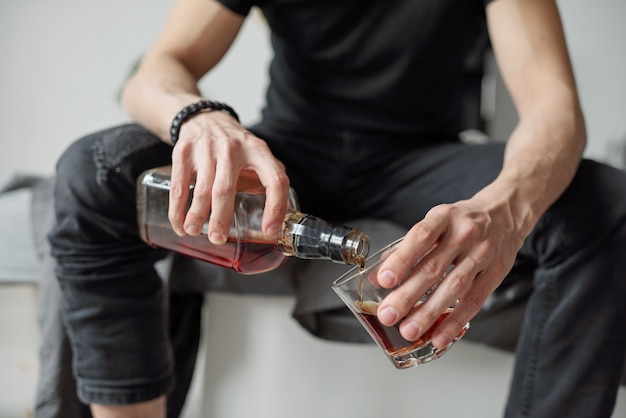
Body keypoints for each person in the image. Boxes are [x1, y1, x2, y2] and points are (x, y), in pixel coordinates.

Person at [46, 0, 626, 417]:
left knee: (607, 202)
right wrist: (201, 117)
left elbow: (554, 105)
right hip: (291, 154)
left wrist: (504, 210)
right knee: (91, 169)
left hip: (421, 159)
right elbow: (157, 70)